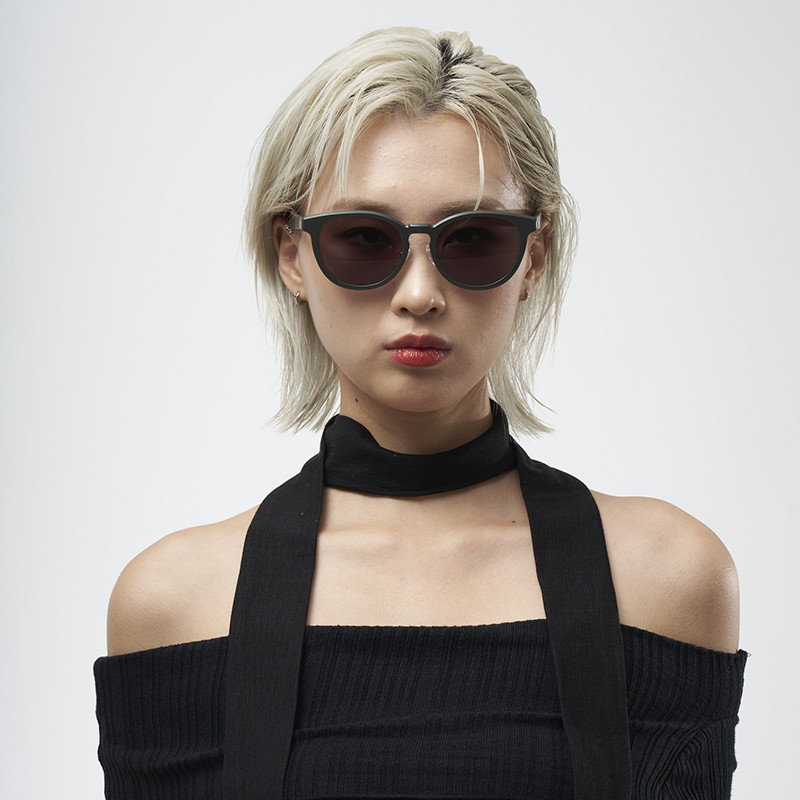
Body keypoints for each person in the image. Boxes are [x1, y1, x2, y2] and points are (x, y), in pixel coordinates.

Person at [94, 27, 746, 800]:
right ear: (292, 256)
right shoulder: (175, 603)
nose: (419, 294)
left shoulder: (667, 579)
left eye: (473, 240)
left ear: (532, 260)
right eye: (364, 239)